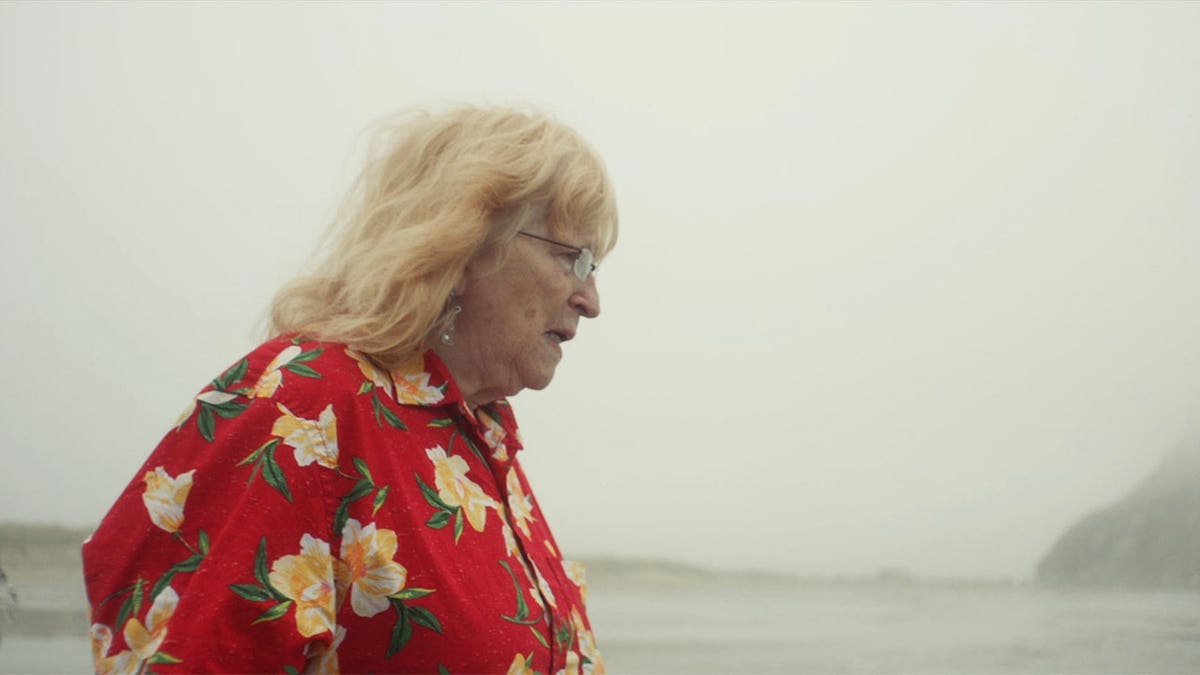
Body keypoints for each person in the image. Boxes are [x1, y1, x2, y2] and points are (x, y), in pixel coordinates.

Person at [82, 106, 616, 674]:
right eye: (572, 258)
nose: (591, 300)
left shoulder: (474, 434)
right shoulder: (304, 404)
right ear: (464, 243)